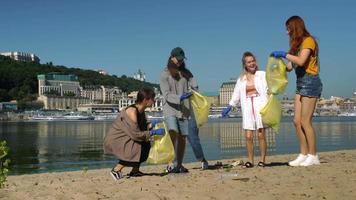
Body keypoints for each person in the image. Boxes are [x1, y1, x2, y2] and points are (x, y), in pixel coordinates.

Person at [271, 16, 322, 167]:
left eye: (288, 29)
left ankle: (313, 156)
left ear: (295, 27)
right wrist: (278, 64)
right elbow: (290, 67)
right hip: (301, 83)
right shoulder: (296, 45)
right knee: (296, 122)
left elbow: (300, 61)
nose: (287, 32)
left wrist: (284, 54)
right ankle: (303, 154)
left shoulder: (308, 41)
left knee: (306, 121)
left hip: (311, 82)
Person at [160, 47, 208, 173]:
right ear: (172, 57)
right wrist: (179, 97)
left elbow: (195, 87)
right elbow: (165, 94)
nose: (180, 62)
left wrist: (195, 93)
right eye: (178, 60)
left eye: (182, 60)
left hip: (184, 109)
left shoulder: (187, 73)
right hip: (170, 108)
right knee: (173, 132)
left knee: (182, 138)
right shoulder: (164, 74)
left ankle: (179, 164)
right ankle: (170, 162)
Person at [103, 87, 165, 180]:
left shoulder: (141, 110)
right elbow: (135, 134)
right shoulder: (132, 111)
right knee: (136, 147)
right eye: (152, 99)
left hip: (126, 137)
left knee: (145, 144)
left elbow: (141, 128)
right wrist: (153, 132)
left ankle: (135, 171)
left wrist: (152, 124)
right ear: (145, 100)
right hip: (118, 140)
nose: (154, 101)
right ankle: (116, 169)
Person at [221, 51, 268, 168]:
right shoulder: (241, 79)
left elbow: (271, 86)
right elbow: (236, 94)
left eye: (253, 61)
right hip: (247, 107)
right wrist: (230, 106)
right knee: (248, 136)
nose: (251, 63)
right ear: (245, 65)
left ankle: (262, 160)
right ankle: (250, 161)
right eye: (249, 62)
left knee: (261, 135)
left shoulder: (262, 74)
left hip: (260, 105)